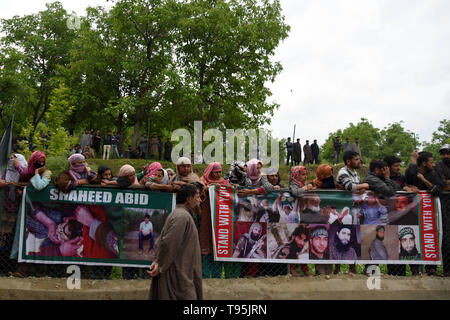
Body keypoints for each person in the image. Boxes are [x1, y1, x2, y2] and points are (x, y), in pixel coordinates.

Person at [147, 183, 203, 300]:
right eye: (197, 197)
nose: (200, 200)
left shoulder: (182, 214)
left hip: (181, 271)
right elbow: (168, 243)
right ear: (189, 199)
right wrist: (160, 264)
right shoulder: (182, 217)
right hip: (177, 275)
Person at [434, 144, 450, 277]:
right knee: (446, 236)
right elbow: (442, 184)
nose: (445, 156)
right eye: (443, 153)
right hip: (444, 202)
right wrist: (445, 184)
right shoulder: (439, 165)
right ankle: (447, 269)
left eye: (448, 153)